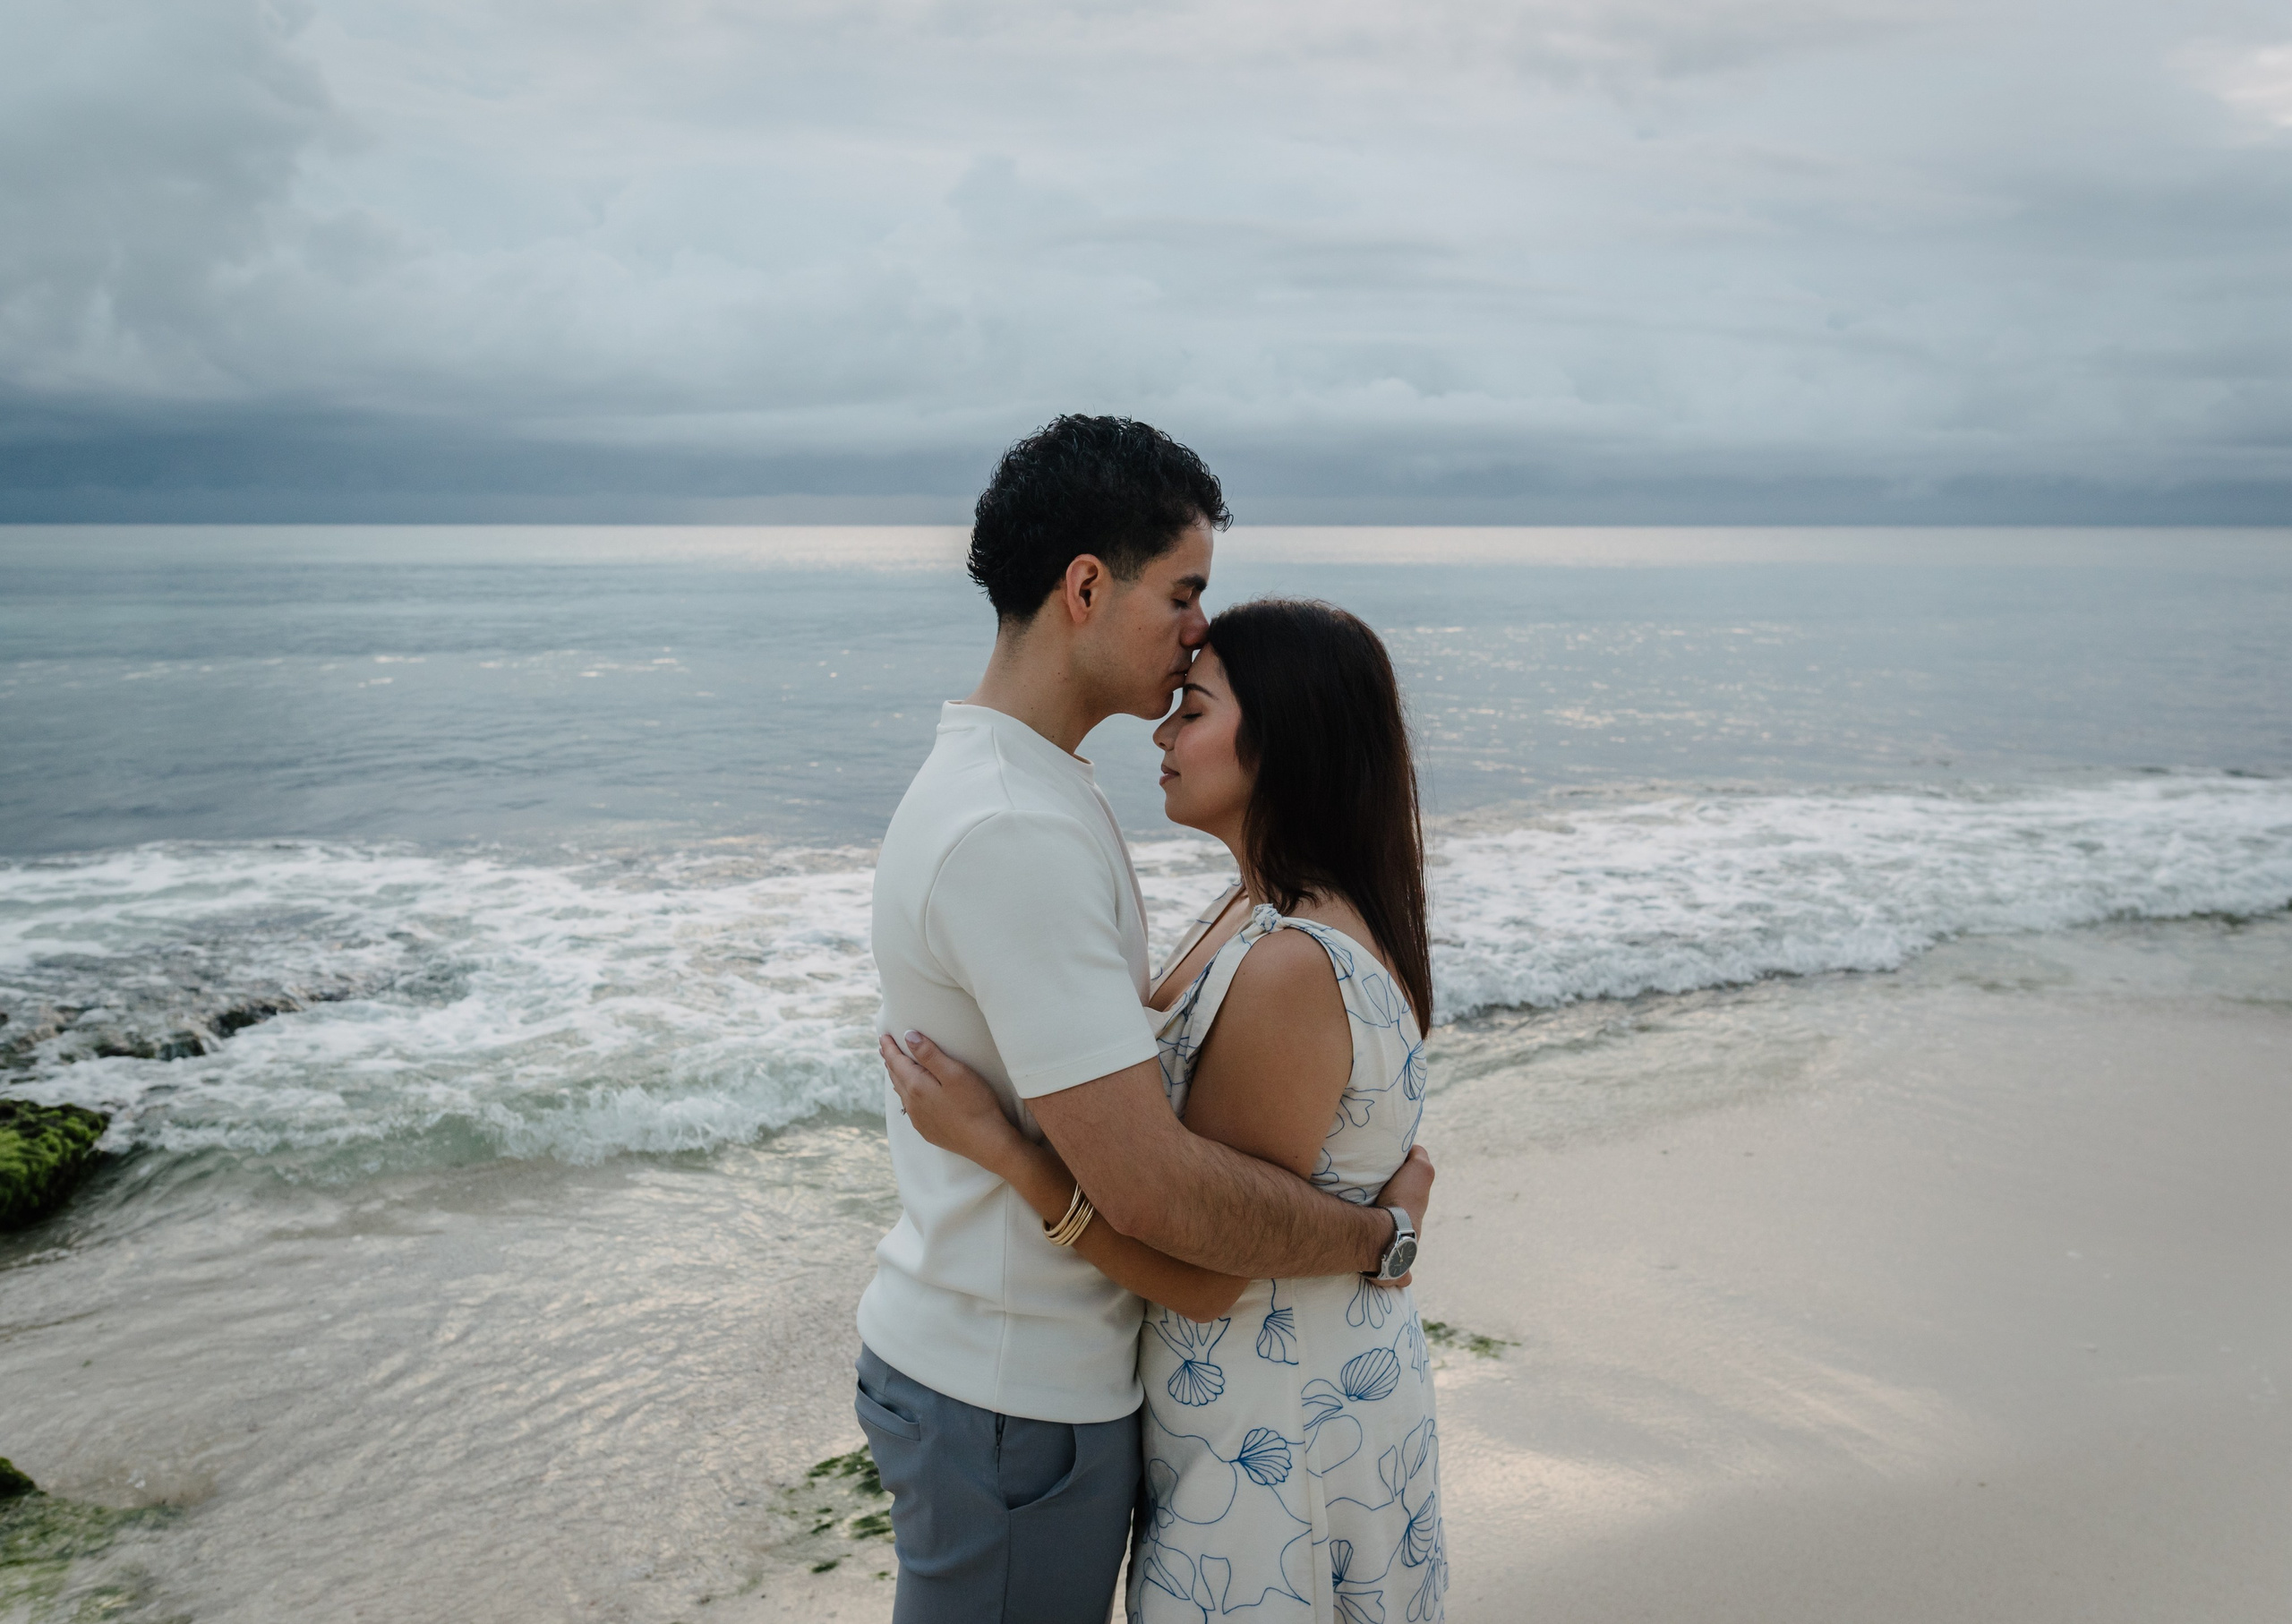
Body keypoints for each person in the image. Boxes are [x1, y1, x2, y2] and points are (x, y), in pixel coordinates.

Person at [857, 416, 1434, 1624]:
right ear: (1083, 588)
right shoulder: (1013, 823)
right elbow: (1161, 1193)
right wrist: (1375, 1234)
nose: (1192, 638)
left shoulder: (1042, 794)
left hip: (1046, 1385)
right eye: (1183, 593)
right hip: (1014, 1391)